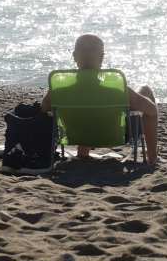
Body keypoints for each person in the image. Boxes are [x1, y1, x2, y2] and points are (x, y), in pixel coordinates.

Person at [41, 33, 159, 164]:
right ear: (101, 58)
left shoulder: (58, 89)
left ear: (74, 56)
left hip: (76, 136)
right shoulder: (117, 88)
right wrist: (127, 103)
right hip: (115, 137)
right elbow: (151, 110)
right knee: (145, 89)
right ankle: (153, 158)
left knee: (82, 100)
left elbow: (44, 108)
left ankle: (83, 154)